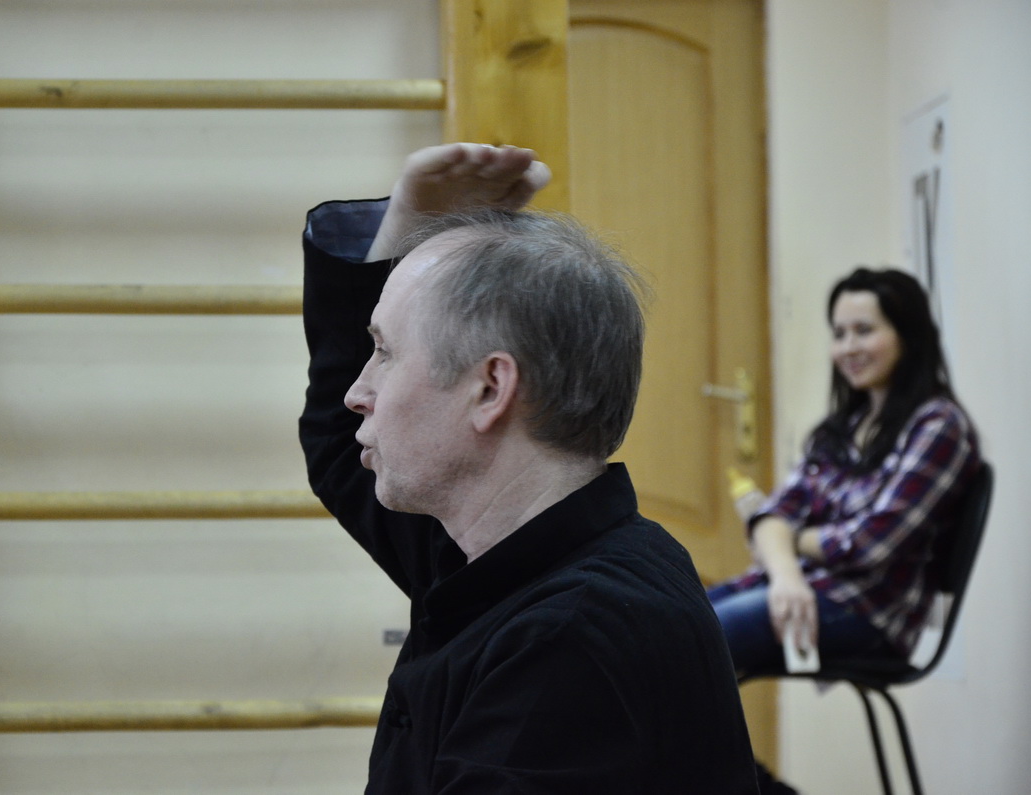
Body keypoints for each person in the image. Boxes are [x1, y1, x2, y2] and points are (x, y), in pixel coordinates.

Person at [299, 142, 760, 793]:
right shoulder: (513, 550)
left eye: (385, 352)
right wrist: (404, 228)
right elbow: (343, 447)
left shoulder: (568, 641)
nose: (358, 391)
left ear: (491, 388)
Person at [707, 266, 980, 792]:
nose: (848, 347)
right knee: (665, 627)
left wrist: (793, 541)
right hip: (800, 593)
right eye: (839, 333)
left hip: (868, 613)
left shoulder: (938, 426)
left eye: (864, 330)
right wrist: (788, 575)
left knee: (689, 646)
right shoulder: (839, 431)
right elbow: (769, 517)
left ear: (908, 334)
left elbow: (869, 544)